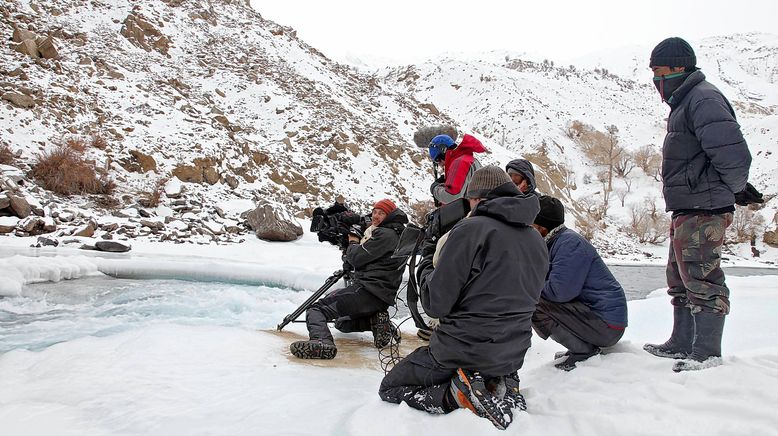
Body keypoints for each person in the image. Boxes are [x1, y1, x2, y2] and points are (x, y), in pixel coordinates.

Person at [378, 166, 548, 430]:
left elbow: (435, 304)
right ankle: (500, 381)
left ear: (477, 198)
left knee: (390, 387)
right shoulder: (536, 239)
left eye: (469, 199)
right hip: (512, 353)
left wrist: (426, 261)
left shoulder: (471, 230)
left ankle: (455, 395)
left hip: (462, 351)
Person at [642, 37, 757, 372]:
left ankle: (706, 353)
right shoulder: (685, 103)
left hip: (703, 206)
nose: (656, 80)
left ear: (680, 67)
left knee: (702, 277)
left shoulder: (703, 99)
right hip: (687, 205)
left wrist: (733, 191)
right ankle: (682, 342)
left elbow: (734, 155)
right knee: (679, 276)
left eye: (659, 71)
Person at [290, 199, 408, 360]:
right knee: (341, 323)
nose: (375, 216)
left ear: (389, 215)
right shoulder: (397, 233)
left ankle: (322, 342)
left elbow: (356, 258)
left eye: (381, 213)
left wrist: (352, 240)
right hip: (380, 296)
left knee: (316, 310)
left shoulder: (385, 234)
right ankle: (376, 322)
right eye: (374, 212)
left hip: (368, 291)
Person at [530, 195, 628, 371]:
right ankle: (578, 346)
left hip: (607, 326)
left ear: (542, 228)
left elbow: (559, 293)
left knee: (532, 300)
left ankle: (583, 351)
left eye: (531, 226)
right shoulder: (557, 241)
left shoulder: (569, 244)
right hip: (600, 319)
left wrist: (527, 283)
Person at [428, 133, 486, 205]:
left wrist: (434, 188)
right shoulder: (468, 159)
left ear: (444, 150)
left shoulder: (460, 163)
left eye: (438, 159)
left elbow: (451, 197)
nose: (440, 164)